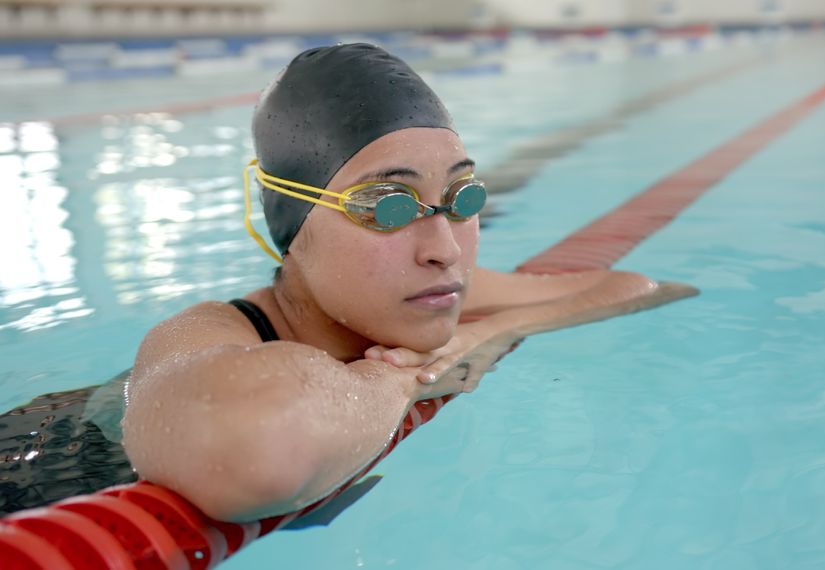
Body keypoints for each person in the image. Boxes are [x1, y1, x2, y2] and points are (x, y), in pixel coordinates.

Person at [120, 43, 697, 524]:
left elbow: (639, 287)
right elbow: (262, 450)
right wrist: (403, 379)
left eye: (460, 198)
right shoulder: (204, 333)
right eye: (387, 207)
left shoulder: (434, 290)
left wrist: (491, 332)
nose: (444, 250)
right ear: (291, 228)